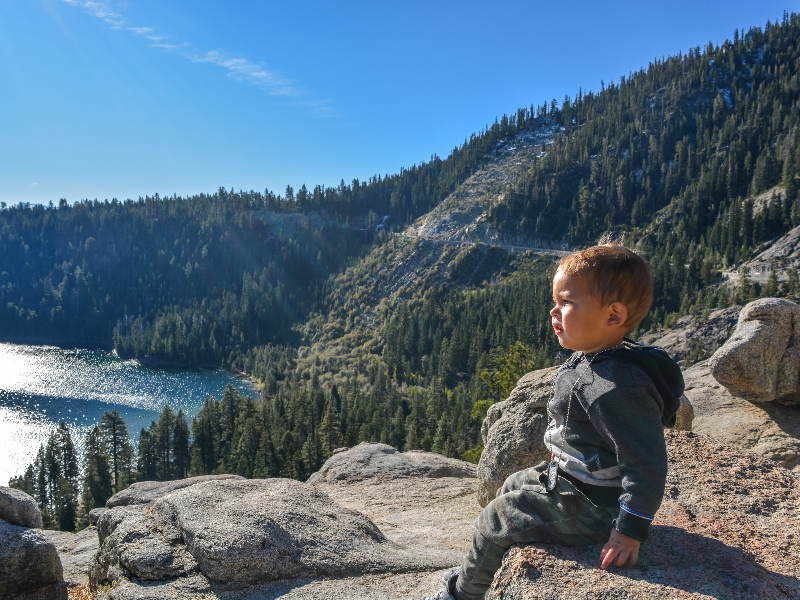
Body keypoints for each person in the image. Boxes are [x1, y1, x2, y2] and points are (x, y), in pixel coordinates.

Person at [420, 243, 685, 600]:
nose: (553, 310)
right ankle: (484, 569)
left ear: (613, 315)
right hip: (575, 478)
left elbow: (647, 464)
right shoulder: (598, 357)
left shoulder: (616, 387)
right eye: (555, 300)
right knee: (511, 485)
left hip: (597, 506)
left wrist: (629, 530)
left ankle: (461, 595)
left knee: (493, 520)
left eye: (567, 302)